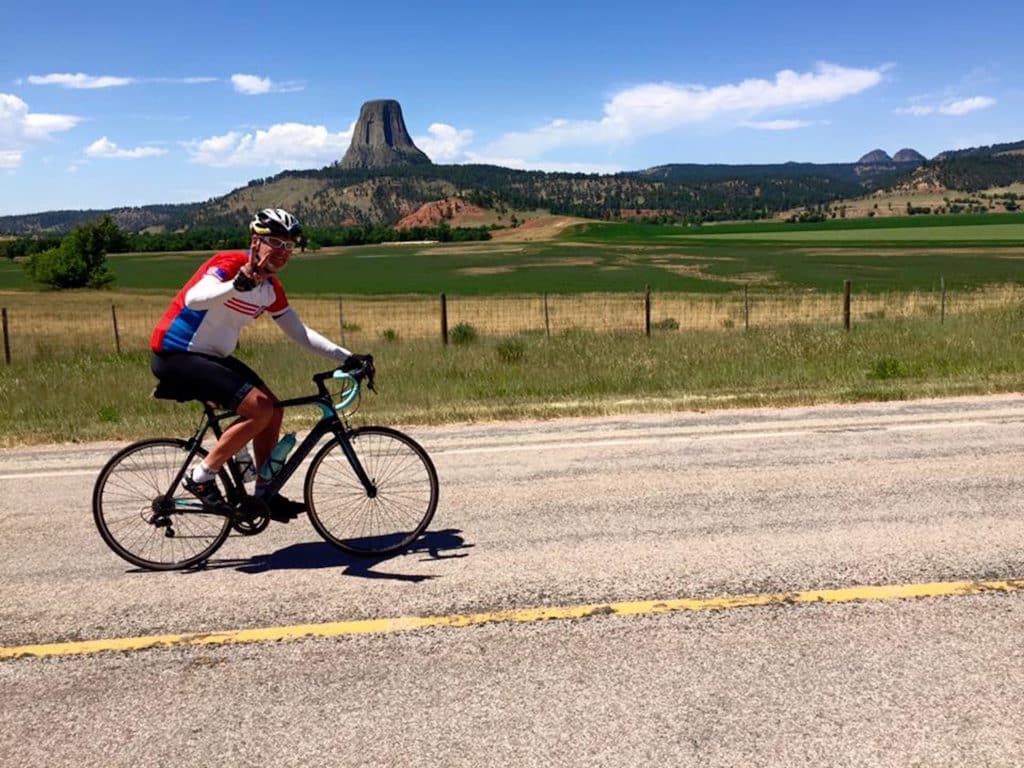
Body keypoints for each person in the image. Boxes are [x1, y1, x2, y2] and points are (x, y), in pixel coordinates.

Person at [149, 208, 371, 522]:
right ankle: (200, 478)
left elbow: (300, 333)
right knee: (259, 407)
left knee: (274, 409)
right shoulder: (227, 265)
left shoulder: (270, 289)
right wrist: (235, 285)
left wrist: (347, 357)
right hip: (176, 353)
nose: (283, 252)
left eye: (290, 245)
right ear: (256, 242)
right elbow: (194, 300)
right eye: (276, 242)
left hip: (212, 357)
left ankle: (266, 492)